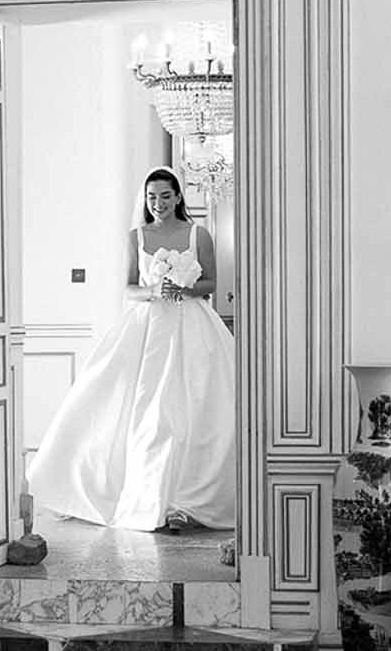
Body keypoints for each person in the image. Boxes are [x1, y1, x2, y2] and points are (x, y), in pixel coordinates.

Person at [27, 166, 236, 531]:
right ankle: (142, 492)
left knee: (193, 405)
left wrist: (184, 288)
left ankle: (187, 496)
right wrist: (156, 291)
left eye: (166, 196)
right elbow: (128, 287)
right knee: (143, 407)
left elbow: (211, 282)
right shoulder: (136, 236)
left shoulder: (198, 233)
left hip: (191, 325)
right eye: (152, 196)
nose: (159, 203)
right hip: (149, 326)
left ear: (178, 196)